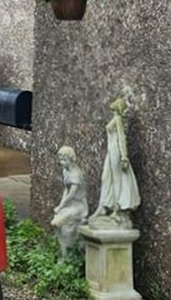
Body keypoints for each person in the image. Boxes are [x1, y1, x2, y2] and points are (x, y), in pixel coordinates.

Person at [89, 97, 140, 228]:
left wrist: (124, 156)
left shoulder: (117, 120)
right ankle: (106, 206)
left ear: (117, 107)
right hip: (111, 152)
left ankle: (117, 208)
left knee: (117, 179)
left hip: (116, 152)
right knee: (106, 177)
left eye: (114, 107)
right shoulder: (115, 118)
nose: (112, 109)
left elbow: (121, 138)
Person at [51, 145, 89, 257]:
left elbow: (71, 195)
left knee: (58, 223)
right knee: (56, 223)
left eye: (64, 160)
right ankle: (64, 253)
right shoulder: (65, 171)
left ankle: (69, 253)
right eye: (60, 159)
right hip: (69, 205)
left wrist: (61, 206)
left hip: (78, 206)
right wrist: (61, 206)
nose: (61, 162)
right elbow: (66, 191)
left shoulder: (76, 175)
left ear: (71, 160)